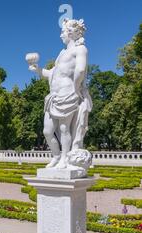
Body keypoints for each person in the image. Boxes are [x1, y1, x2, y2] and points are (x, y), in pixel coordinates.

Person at [29, 19, 93, 169]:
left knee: (64, 129)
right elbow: (52, 73)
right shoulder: (62, 52)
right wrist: (37, 69)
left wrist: (76, 88)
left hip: (68, 95)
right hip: (53, 97)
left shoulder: (80, 49)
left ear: (72, 33)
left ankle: (65, 158)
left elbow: (81, 69)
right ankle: (57, 156)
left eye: (63, 32)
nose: (61, 35)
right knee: (47, 131)